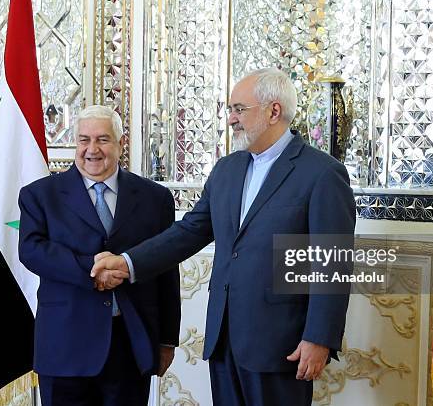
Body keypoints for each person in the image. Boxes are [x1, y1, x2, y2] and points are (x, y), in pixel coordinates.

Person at [92, 67, 356, 405]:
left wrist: (319, 337)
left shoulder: (321, 173)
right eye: (229, 109)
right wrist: (127, 263)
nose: (231, 119)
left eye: (238, 109)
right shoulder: (227, 170)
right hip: (224, 339)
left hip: (282, 344)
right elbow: (187, 233)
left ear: (273, 111)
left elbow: (331, 264)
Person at [18, 105, 180, 406]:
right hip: (65, 346)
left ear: (120, 143)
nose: (92, 149)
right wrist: (92, 272)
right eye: (84, 140)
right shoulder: (40, 195)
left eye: (103, 140)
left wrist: (167, 340)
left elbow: (167, 271)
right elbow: (32, 250)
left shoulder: (155, 198)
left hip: (130, 343)